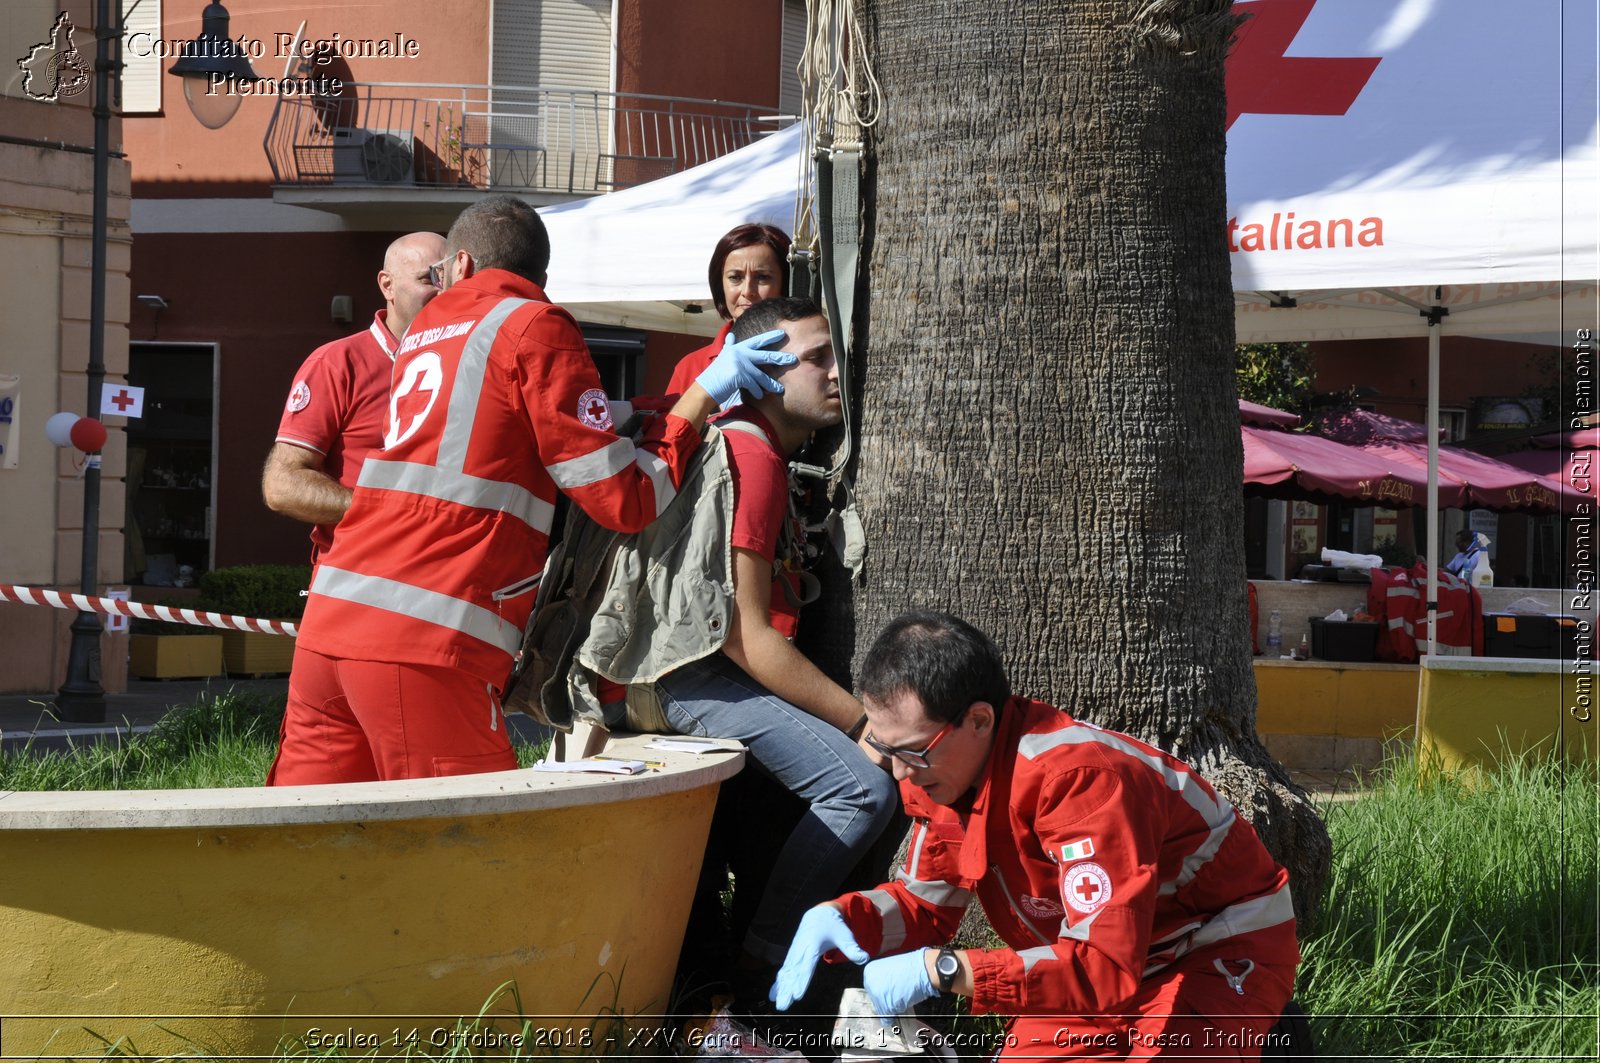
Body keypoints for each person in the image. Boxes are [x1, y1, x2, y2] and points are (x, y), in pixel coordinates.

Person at [267, 195, 795, 785]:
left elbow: (509, 422)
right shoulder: (534, 325)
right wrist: (699, 399)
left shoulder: (426, 330)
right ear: (540, 277)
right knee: (479, 843)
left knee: (312, 838)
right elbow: (624, 498)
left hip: (331, 625)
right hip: (425, 635)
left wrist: (652, 409)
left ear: (460, 268)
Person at [772, 612, 1299, 1061]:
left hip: (1211, 943)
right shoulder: (940, 773)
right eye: (884, 749)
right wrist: (844, 917)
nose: (899, 774)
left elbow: (1104, 968)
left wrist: (946, 969)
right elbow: (927, 906)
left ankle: (1273, 1030)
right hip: (1095, 955)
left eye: (911, 751)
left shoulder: (1078, 783)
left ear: (979, 720)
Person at [656, 297, 896, 994]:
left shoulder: (743, 443)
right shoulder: (751, 454)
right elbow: (748, 638)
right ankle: (763, 961)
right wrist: (864, 724)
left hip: (695, 679)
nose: (833, 375)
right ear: (760, 371)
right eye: (815, 358)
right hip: (692, 682)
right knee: (863, 788)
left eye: (836, 356)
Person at [262, 231, 446, 563]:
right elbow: (282, 483)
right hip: (357, 583)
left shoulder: (468, 362)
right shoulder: (338, 362)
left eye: (449, 281)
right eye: (427, 278)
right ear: (387, 285)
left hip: (436, 580)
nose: (442, 292)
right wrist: (385, 511)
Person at [665, 223, 791, 395]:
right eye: (735, 277)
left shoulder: (812, 357)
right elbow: (674, 422)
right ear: (720, 284)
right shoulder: (691, 366)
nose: (747, 291)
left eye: (763, 277)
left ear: (786, 283)